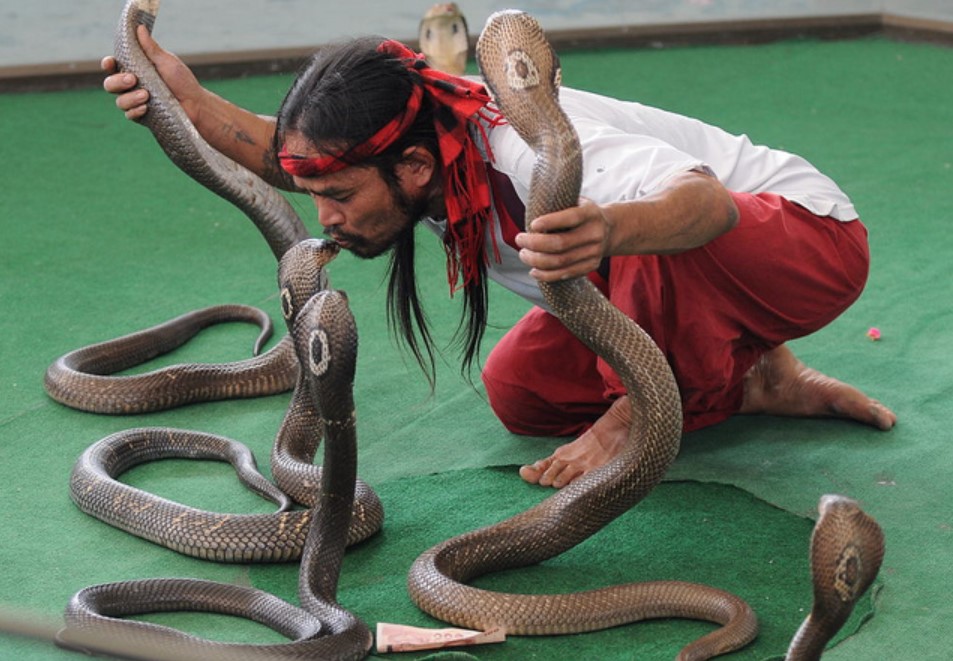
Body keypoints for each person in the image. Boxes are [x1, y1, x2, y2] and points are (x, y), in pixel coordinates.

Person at [102, 26, 896, 489]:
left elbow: (707, 204)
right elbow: (295, 161)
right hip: (693, 279)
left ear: (411, 169)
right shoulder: (414, 153)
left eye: (337, 195)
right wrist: (187, 102)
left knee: (643, 232)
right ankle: (751, 376)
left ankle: (650, 404)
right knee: (519, 389)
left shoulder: (526, 145)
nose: (326, 217)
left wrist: (611, 232)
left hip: (803, 242)